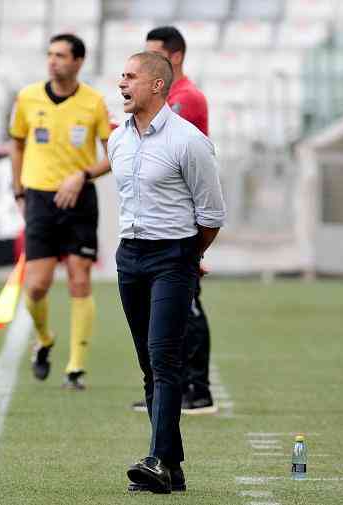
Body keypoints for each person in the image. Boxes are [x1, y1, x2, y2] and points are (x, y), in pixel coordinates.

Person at [108, 52, 225, 493]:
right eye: (122, 76)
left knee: (164, 359)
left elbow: (211, 214)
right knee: (148, 364)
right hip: (130, 256)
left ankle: (157, 459)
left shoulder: (188, 141)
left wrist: (188, 256)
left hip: (172, 258)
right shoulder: (117, 139)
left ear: (157, 85)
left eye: (131, 77)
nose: (122, 83)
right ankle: (172, 467)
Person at [9, 33, 112, 390]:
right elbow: (17, 144)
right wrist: (19, 191)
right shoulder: (27, 98)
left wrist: (82, 176)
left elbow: (115, 154)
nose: (53, 61)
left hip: (80, 200)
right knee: (36, 287)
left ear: (78, 62)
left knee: (79, 278)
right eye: (50, 54)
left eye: (62, 55)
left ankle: (76, 368)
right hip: (39, 199)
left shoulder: (94, 103)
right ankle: (45, 339)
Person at [128, 25, 217, 415]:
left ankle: (197, 389)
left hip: (179, 228)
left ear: (174, 57)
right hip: (163, 229)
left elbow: (182, 160)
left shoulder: (186, 101)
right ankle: (171, 391)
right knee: (171, 313)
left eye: (155, 55)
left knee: (189, 307)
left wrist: (194, 247)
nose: (149, 63)